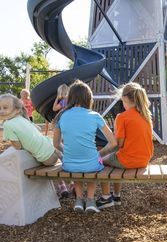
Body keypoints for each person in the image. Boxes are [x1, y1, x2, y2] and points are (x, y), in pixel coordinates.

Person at [53, 80, 117, 213]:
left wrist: (68, 152)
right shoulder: (95, 116)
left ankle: (78, 200)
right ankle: (90, 200)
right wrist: (99, 154)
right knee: (93, 163)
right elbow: (113, 143)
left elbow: (56, 143)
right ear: (88, 98)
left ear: (70, 97)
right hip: (92, 163)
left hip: (69, 164)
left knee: (78, 165)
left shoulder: (62, 116)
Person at [96, 82, 154, 209]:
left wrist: (98, 154)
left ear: (126, 99)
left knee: (99, 162)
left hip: (128, 160)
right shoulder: (146, 116)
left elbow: (117, 144)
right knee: (115, 158)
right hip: (144, 160)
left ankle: (106, 197)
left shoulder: (122, 117)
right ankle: (116, 195)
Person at [0, 94, 60, 166]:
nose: (1, 111)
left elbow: (18, 146)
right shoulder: (22, 118)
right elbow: (38, 129)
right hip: (54, 148)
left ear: (17, 110)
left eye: (5, 108)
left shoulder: (8, 124)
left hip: (47, 159)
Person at [52, 83, 70, 198]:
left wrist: (57, 99)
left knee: (59, 148)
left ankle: (62, 185)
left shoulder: (63, 101)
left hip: (61, 127)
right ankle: (72, 184)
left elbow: (54, 108)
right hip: (70, 127)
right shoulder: (71, 101)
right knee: (67, 148)